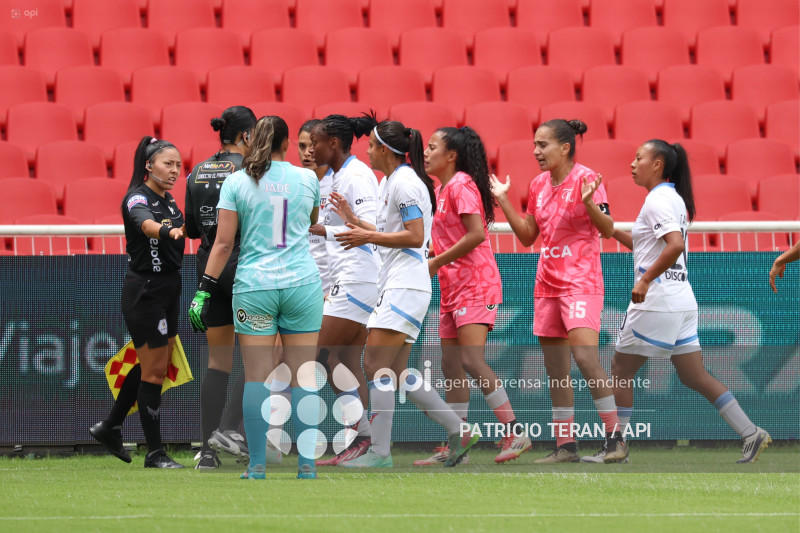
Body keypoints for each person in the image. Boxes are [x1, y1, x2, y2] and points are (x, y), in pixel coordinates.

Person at [607, 139, 771, 464]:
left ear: (657, 165)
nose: (632, 163)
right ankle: (751, 432)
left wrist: (644, 280)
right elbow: (648, 246)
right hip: (682, 300)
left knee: (619, 371)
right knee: (694, 376)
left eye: (639, 157)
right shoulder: (673, 199)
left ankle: (617, 445)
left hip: (657, 301)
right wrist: (611, 230)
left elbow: (674, 246)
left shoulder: (657, 201)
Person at [333, 118, 479, 468]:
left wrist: (367, 237)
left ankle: (379, 452)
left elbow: (415, 237)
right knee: (396, 373)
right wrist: (356, 221)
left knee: (373, 364)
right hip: (400, 283)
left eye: (370, 144)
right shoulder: (391, 182)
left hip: (405, 284)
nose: (366, 150)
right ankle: (459, 430)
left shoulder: (406, 184)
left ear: (384, 148)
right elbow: (391, 230)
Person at [188, 116, 323, 480]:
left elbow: (223, 244)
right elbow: (312, 219)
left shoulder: (236, 182)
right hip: (302, 285)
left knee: (256, 380)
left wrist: (203, 291)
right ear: (286, 143)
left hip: (255, 287)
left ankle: (258, 465)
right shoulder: (308, 179)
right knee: (304, 378)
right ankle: (307, 467)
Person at [490, 119, 627, 463]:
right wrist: (504, 201)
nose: (536, 151)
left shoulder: (588, 179)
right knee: (556, 370)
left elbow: (608, 230)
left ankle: (616, 441)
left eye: (543, 145)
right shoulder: (537, 185)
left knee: (585, 358)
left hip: (581, 283)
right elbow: (526, 236)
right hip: (547, 285)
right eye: (534, 145)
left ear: (565, 147)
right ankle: (565, 446)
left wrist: (591, 204)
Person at [414, 126, 532, 466]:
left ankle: (514, 432)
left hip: (476, 283)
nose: (426, 151)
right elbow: (451, 238)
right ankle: (458, 444)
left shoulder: (462, 185)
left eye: (433, 147)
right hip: (453, 286)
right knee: (451, 365)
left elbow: (477, 233)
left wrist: (435, 260)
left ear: (451, 156)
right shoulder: (443, 189)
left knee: (470, 360)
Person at [90, 136, 186, 468]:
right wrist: (166, 232)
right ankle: (155, 453)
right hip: (146, 291)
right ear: (148, 166)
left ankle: (111, 425)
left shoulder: (171, 201)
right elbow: (145, 225)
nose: (174, 170)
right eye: (167, 164)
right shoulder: (136, 198)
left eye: (178, 165)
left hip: (170, 288)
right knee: (156, 370)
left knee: (155, 366)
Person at [185, 106, 255, 469]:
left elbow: (194, 230)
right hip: (246, 269)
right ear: (246, 136)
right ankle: (230, 430)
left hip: (208, 271)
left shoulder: (196, 172)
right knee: (265, 355)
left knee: (218, 363)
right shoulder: (250, 171)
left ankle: (207, 452)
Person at [307, 114, 378, 465]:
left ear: (332, 143)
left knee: (319, 355)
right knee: (347, 360)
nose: (310, 149)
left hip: (357, 276)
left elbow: (373, 228)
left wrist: (333, 226)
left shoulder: (357, 176)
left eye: (315, 142)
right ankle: (364, 444)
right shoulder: (335, 177)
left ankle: (363, 436)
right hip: (347, 276)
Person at [298, 119, 333, 297]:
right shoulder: (293, 184)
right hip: (301, 285)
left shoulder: (339, 182)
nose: (307, 153)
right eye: (302, 146)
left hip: (333, 287)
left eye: (312, 146)